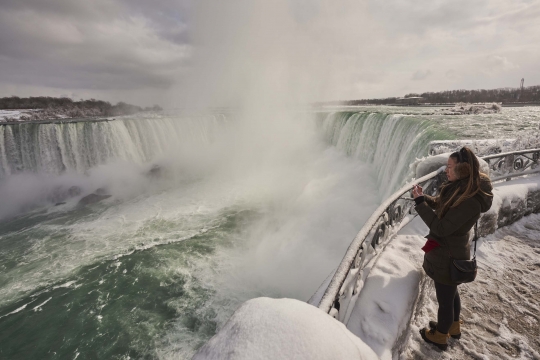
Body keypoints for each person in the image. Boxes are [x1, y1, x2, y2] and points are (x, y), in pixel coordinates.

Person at [411, 146, 493, 351]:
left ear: (463, 170)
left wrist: (420, 206)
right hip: (450, 250)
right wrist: (424, 199)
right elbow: (442, 205)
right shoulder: (462, 187)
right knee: (452, 293)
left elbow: (441, 227)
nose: (445, 171)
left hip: (448, 255)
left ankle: (440, 336)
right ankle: (453, 327)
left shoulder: (471, 201)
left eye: (449, 167)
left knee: (445, 300)